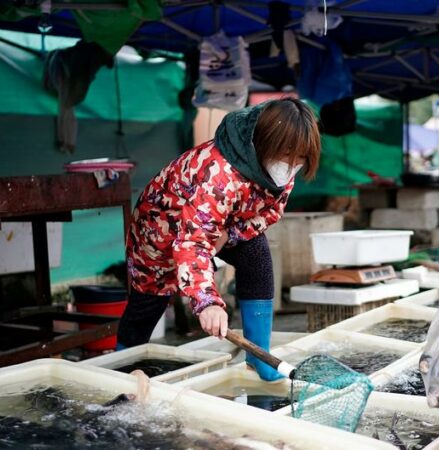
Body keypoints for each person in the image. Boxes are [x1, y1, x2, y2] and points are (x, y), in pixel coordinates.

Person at [122, 98, 320, 381]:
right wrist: (207, 302)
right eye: (287, 156)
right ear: (264, 143)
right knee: (149, 300)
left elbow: (271, 211)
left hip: (218, 226)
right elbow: (193, 242)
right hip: (160, 230)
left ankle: (260, 358)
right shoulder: (217, 176)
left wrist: (232, 234)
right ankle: (123, 364)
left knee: (256, 253)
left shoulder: (281, 166)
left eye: (300, 159)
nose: (291, 167)